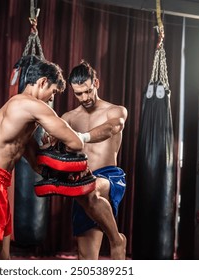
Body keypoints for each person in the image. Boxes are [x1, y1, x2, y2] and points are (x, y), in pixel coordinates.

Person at [0, 56, 84, 260]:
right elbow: (77, 142)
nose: (50, 101)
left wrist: (53, 168)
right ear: (42, 82)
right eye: (51, 94)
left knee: (3, 262)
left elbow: (35, 162)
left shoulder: (23, 117)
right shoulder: (30, 105)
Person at [63, 60, 128, 260]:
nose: (84, 97)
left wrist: (82, 137)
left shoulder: (115, 110)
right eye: (78, 93)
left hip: (109, 177)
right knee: (86, 259)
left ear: (96, 84)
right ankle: (115, 240)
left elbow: (112, 128)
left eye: (88, 91)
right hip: (81, 180)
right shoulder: (69, 118)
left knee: (89, 188)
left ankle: (116, 239)